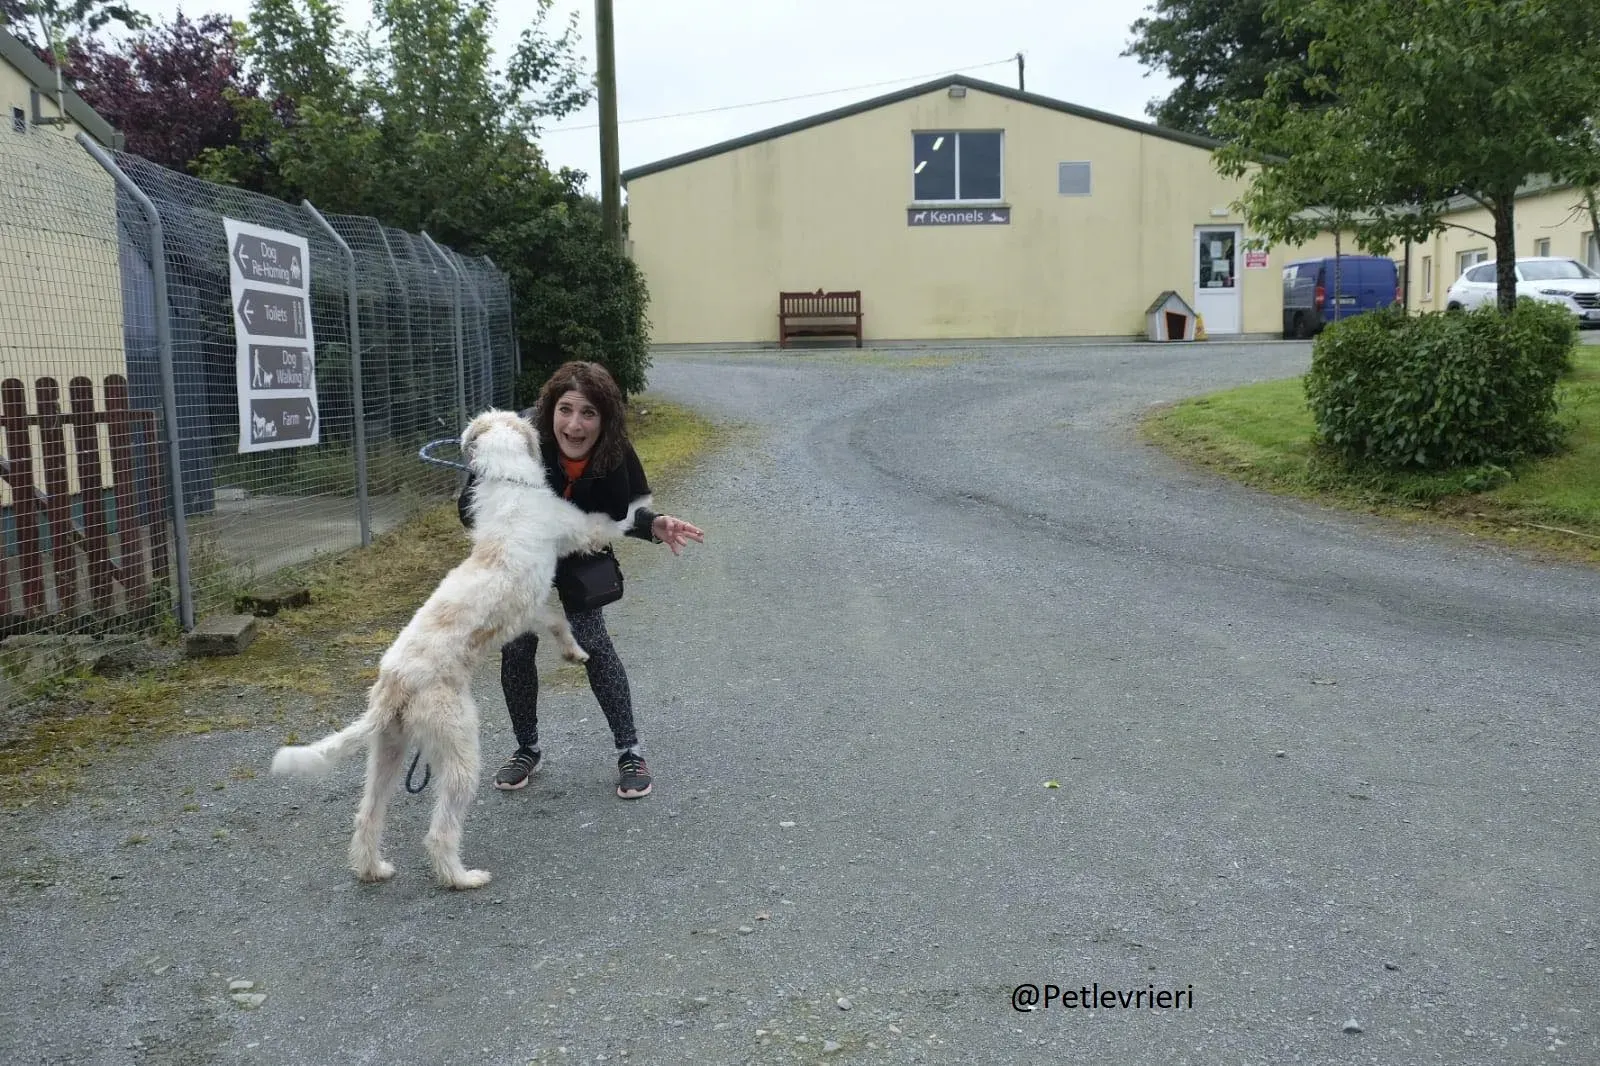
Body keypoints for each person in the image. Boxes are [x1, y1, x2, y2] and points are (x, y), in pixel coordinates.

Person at [455, 360, 704, 799]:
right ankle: (526, 748)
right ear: (549, 410)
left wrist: (654, 524)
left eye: (588, 413)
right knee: (517, 647)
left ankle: (630, 751)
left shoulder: (614, 451)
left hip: (578, 549)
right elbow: (467, 510)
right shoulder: (515, 442)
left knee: (592, 642)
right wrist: (500, 496)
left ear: (604, 420)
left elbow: (620, 512)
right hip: (521, 554)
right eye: (565, 410)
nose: (574, 424)